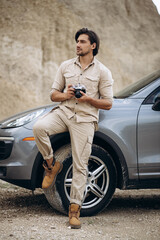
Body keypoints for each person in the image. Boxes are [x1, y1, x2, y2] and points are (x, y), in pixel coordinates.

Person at [33, 28, 114, 229]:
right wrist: (66, 95)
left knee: (80, 165)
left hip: (85, 119)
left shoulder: (103, 71)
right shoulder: (66, 66)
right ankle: (51, 166)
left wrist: (88, 99)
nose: (78, 45)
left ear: (93, 46)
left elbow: (108, 103)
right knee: (39, 127)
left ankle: (74, 210)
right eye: (77, 41)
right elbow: (53, 94)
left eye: (83, 42)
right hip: (64, 113)